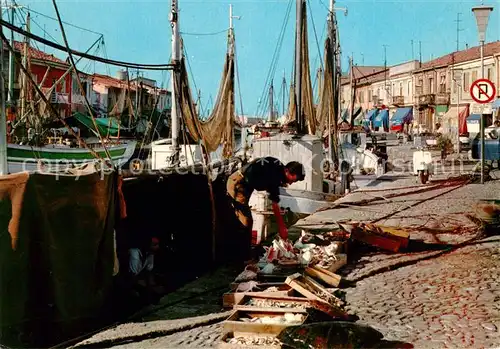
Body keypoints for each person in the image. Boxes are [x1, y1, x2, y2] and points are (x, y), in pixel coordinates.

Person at [227, 157, 305, 260]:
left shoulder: (277, 170)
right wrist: (282, 227)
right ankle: (240, 257)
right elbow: (274, 202)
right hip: (238, 182)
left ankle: (247, 252)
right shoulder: (275, 173)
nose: (290, 183)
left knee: (247, 221)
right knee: (244, 220)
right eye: (292, 180)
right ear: (286, 170)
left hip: (247, 184)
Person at [128, 237, 161, 304]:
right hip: (126, 280)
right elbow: (132, 276)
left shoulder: (150, 254)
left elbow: (149, 271)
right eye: (154, 245)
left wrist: (151, 287)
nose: (158, 247)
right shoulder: (135, 254)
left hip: (135, 278)